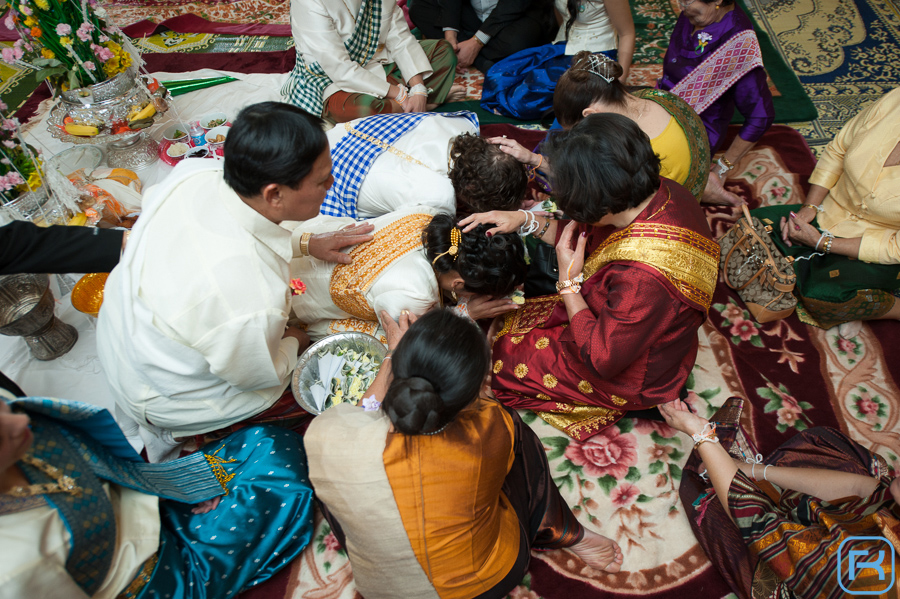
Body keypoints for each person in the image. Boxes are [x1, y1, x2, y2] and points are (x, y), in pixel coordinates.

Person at [97, 102, 374, 460]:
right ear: (274, 194)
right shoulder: (249, 296)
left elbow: (230, 232)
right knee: (330, 397)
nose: (332, 184)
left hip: (120, 335)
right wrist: (294, 341)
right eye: (323, 181)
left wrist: (306, 242)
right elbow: (256, 377)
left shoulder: (193, 174)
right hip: (164, 394)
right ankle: (194, 443)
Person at [304, 309, 623, 599]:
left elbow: (365, 411)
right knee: (516, 433)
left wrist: (391, 353)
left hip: (382, 591)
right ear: (471, 397)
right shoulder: (488, 426)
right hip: (487, 582)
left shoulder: (326, 436)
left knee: (338, 479)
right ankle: (564, 531)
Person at [460, 114, 720, 439]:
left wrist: (569, 284)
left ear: (596, 200)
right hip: (634, 319)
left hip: (630, 364)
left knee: (497, 366)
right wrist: (523, 219)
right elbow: (582, 236)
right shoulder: (661, 191)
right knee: (515, 323)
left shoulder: (643, 278)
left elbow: (602, 357)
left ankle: (633, 400)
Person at [0, 395, 315, 599]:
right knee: (285, 478)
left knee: (265, 442)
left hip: (152, 500)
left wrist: (179, 493)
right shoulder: (12, 568)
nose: (20, 420)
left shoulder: (14, 425)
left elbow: (109, 469)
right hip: (159, 576)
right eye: (0, 438)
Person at [660, 396, 900, 599]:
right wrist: (756, 472)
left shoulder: (873, 571)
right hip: (850, 535)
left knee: (710, 506)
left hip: (817, 573)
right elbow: (864, 488)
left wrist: (701, 434)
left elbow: (760, 527)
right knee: (831, 445)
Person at [752, 86, 900, 336]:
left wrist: (823, 243)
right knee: (756, 225)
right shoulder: (895, 101)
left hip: (874, 245)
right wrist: (809, 209)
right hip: (829, 210)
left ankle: (890, 307)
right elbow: (838, 149)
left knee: (824, 297)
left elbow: (895, 247)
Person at [489, 52, 716, 203]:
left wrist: (535, 161)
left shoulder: (624, 148)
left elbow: (592, 193)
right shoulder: (651, 95)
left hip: (669, 202)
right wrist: (532, 157)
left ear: (590, 115)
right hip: (692, 168)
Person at [290, 209, 526, 341]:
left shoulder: (427, 216)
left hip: (300, 242)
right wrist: (466, 312)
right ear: (458, 284)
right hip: (301, 294)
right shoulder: (417, 294)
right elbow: (415, 338)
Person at [658, 0, 774, 203]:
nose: (680, 6)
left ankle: (707, 184)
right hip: (663, 103)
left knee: (635, 176)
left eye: (686, 0)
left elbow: (761, 116)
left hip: (693, 129)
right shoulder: (693, 12)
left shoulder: (739, 43)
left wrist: (723, 168)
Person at [319, 111, 527, 219]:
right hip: (324, 182)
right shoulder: (437, 198)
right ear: (472, 193)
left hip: (330, 139)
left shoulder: (462, 127)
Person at [286, 0, 460, 123]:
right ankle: (424, 104)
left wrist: (419, 88)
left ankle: (411, 104)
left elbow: (400, 38)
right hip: (331, 78)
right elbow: (340, 69)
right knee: (364, 110)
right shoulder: (308, 2)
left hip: (377, 61)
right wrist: (398, 94)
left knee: (443, 52)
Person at [481, 0, 634, 121]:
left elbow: (627, 33)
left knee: (522, 101)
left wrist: (619, 83)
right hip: (563, 46)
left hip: (595, 53)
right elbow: (562, 16)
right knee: (497, 74)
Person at [409, 0, 558, 74]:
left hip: (514, 17)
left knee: (516, 44)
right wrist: (450, 38)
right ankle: (474, 57)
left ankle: (472, 54)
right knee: (419, 9)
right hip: (472, 14)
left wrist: (477, 42)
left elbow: (513, 5)